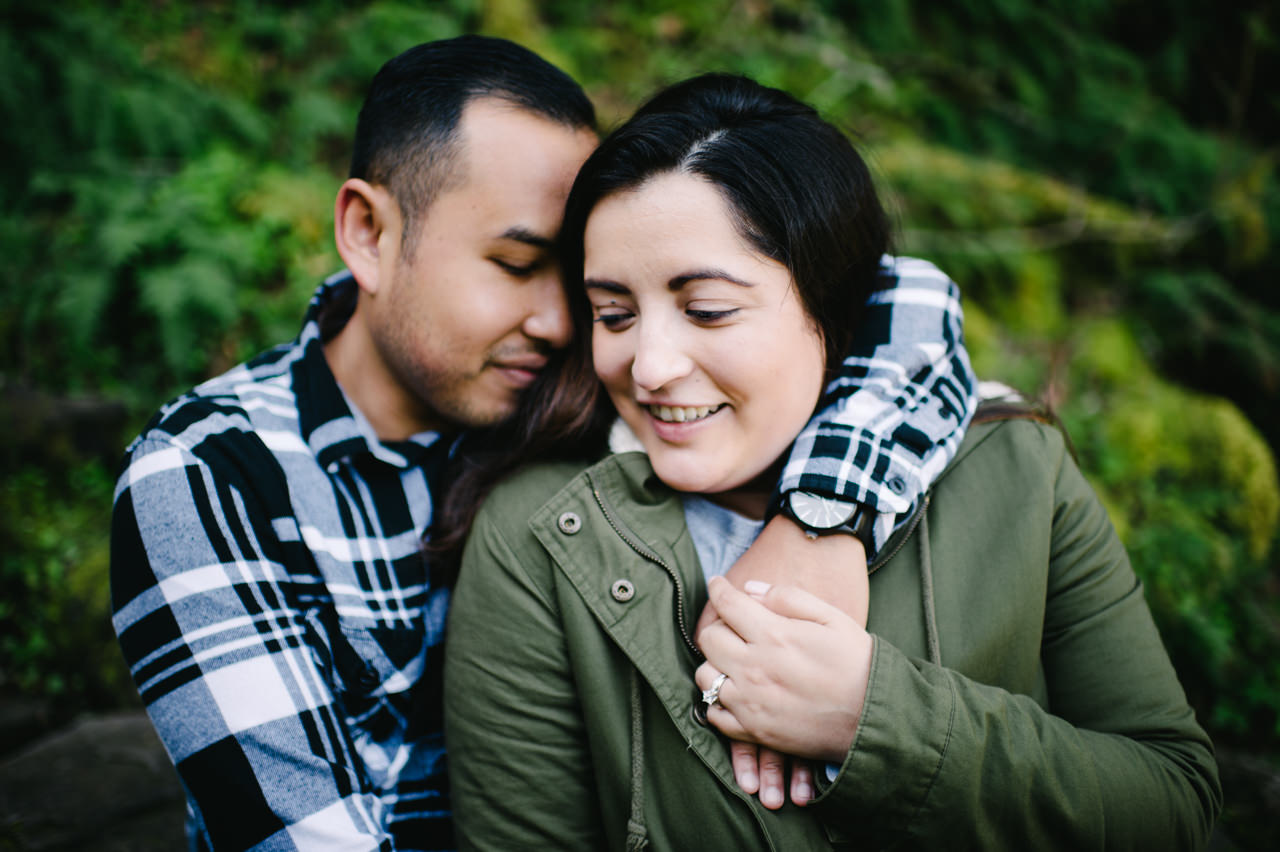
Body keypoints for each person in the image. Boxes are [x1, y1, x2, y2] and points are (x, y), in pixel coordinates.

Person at [109, 37, 975, 851]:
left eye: (575, 280)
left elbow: (894, 298)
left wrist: (821, 519)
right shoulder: (211, 476)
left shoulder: (599, 385)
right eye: (518, 265)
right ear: (369, 233)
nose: (563, 321)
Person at [441, 73, 1222, 850]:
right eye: (614, 313)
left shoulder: (1015, 466)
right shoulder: (543, 535)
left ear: (832, 306)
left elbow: (1175, 801)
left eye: (707, 310)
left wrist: (870, 718)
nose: (648, 366)